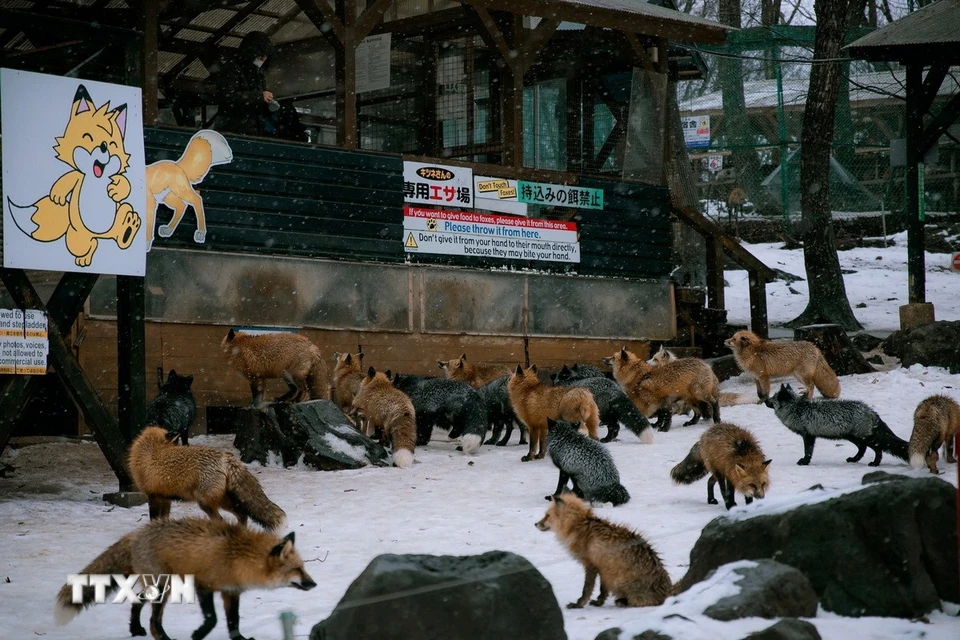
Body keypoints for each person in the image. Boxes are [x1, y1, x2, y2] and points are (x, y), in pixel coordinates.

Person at [214, 31, 276, 137]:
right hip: (233, 131)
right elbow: (227, 96)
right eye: (260, 56)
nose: (262, 60)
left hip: (251, 131)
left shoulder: (257, 73)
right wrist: (259, 97)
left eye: (264, 57)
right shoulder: (232, 69)